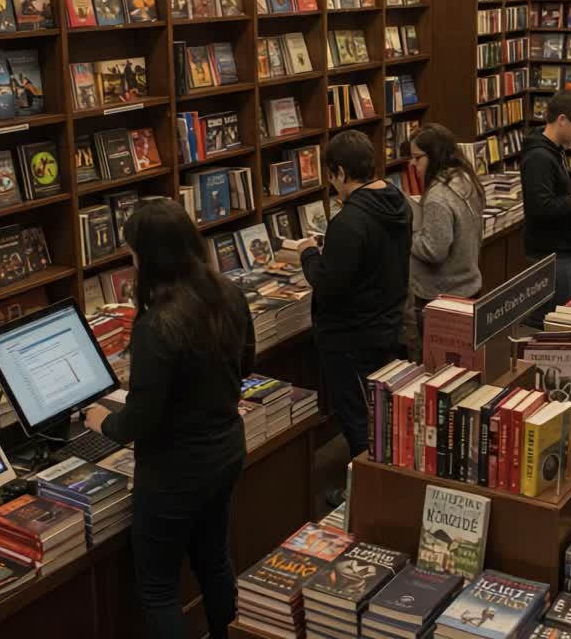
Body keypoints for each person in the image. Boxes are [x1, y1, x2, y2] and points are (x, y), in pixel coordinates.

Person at [82, 199, 254, 639]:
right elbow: (246, 363)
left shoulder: (158, 325)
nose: (132, 262)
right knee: (213, 559)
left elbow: (141, 421)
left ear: (149, 257)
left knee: (158, 588)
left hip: (176, 471)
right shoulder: (227, 293)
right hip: (226, 449)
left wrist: (101, 421)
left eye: (134, 253)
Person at [294, 130, 412, 479]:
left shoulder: (349, 220)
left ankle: (367, 491)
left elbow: (329, 286)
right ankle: (383, 480)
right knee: (382, 413)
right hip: (386, 324)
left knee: (359, 418)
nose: (333, 185)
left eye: (331, 176)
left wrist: (309, 255)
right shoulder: (397, 201)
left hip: (350, 337)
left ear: (341, 172)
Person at [521, 90, 571, 326]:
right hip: (548, 251)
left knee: (559, 313)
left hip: (562, 248)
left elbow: (551, 189)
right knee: (548, 320)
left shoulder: (556, 150)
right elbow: (540, 206)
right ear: (562, 120)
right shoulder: (539, 157)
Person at [408, 123, 485, 350]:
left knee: (440, 365)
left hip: (441, 296)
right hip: (467, 285)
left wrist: (408, 236)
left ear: (435, 156)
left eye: (417, 158)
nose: (413, 165)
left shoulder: (437, 196)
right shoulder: (463, 178)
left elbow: (434, 250)